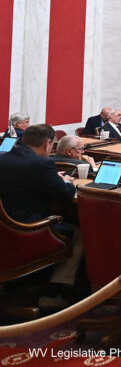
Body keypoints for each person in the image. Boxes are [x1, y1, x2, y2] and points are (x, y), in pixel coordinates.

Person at [0, 124, 82, 308]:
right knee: (77, 234)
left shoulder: (3, 159)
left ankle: (21, 283)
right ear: (47, 144)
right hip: (26, 233)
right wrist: (65, 181)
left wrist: (52, 178)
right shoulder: (42, 164)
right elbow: (66, 195)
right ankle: (57, 293)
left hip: (4, 231)